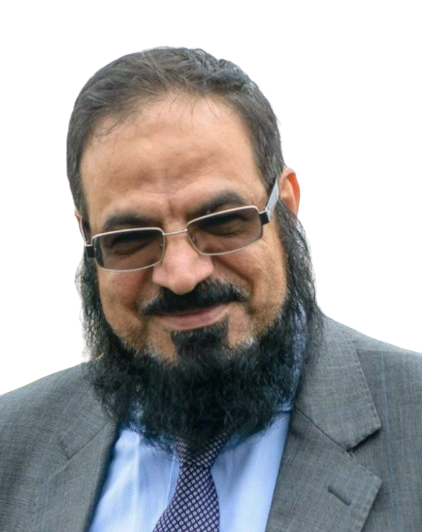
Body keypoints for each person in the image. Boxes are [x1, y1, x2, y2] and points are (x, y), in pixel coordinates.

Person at [1, 47, 421, 532]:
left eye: (221, 222)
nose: (181, 275)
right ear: (86, 237)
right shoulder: (11, 445)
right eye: (132, 239)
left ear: (286, 206)